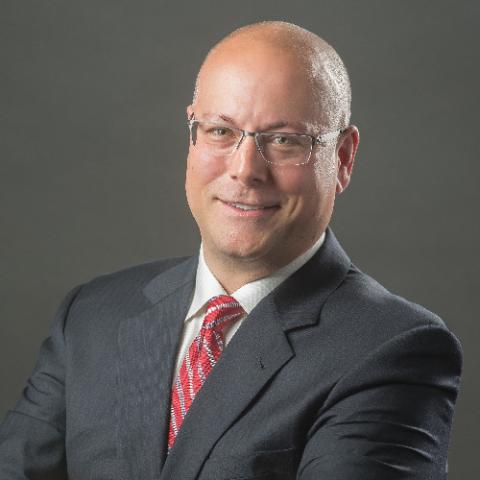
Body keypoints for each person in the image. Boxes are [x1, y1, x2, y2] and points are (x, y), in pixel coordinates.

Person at [0, 21, 463, 480]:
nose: (245, 170)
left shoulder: (392, 349)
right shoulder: (92, 315)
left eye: (284, 140)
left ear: (342, 158)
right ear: (192, 135)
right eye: (221, 131)